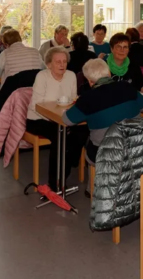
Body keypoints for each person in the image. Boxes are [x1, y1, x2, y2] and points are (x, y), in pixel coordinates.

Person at [63, 58, 143, 163]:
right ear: (109, 73)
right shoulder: (127, 87)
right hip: (136, 147)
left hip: (105, 153)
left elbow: (67, 120)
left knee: (83, 138)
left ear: (90, 82)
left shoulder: (86, 99)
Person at [25, 47, 87, 191]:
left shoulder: (71, 75)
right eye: (58, 61)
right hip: (38, 119)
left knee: (84, 129)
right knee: (59, 135)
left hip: (62, 119)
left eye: (64, 61)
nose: (62, 65)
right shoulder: (42, 76)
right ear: (49, 64)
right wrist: (56, 119)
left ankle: (67, 166)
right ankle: (54, 183)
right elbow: (36, 106)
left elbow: (72, 100)